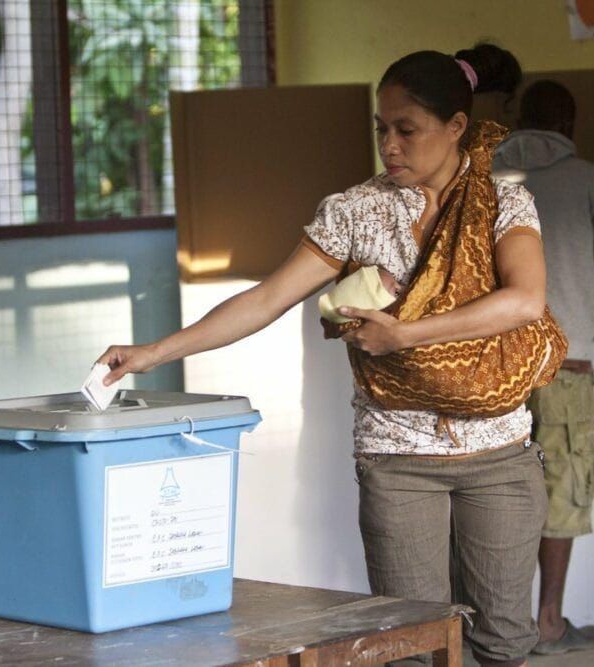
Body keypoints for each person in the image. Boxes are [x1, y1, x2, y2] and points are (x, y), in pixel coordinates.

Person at [99, 44, 550, 667]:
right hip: (399, 459)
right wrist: (153, 352)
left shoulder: (505, 203)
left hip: (499, 453)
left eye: (406, 130)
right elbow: (267, 298)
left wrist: (404, 334)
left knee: (503, 641)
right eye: (380, 129)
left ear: (456, 128)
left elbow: (526, 300)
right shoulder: (355, 211)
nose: (389, 145)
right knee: (411, 645)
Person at [493, 80, 594, 655]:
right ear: (570, 125)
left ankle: (495, 624)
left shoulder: (483, 179)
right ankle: (548, 622)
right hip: (569, 366)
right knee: (561, 491)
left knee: (494, 491)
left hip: (495, 366)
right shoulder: (585, 179)